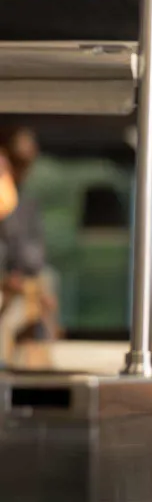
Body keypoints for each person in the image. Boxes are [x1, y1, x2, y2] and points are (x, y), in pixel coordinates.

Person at [0, 126, 61, 364]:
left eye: (25, 164)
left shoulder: (26, 205)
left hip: (22, 284)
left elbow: (33, 257)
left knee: (47, 283)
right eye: (16, 162)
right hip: (9, 286)